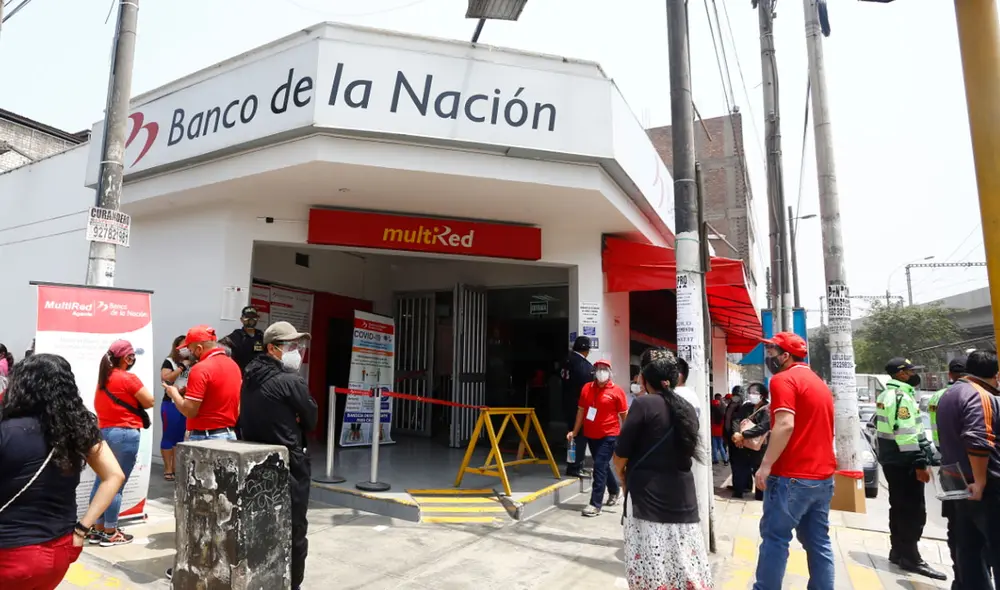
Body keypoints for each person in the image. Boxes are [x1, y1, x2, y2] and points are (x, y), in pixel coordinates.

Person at [0, 354, 126, 589]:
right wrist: (81, 530)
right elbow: (114, 475)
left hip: (9, 554)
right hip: (60, 549)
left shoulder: (7, 431)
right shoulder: (79, 430)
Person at [612, 348, 712, 589]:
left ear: (646, 380)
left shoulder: (643, 404)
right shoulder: (687, 406)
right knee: (683, 564)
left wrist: (623, 478)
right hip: (683, 500)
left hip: (648, 500)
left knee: (652, 566)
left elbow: (620, 455)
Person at [752, 332, 836, 590]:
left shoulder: (782, 380)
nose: (768, 357)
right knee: (818, 542)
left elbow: (786, 424)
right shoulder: (818, 382)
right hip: (822, 478)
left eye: (772, 352)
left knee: (775, 539)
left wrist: (765, 466)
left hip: (791, 476)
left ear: (785, 356)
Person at [239, 321, 318, 590]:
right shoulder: (290, 382)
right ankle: (293, 583)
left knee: (262, 528)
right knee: (295, 530)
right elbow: (311, 418)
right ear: (273, 348)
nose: (298, 351)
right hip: (290, 465)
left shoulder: (249, 377)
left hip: (257, 465)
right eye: (292, 346)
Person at [935, 349, 1000, 588]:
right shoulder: (979, 395)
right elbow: (978, 439)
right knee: (993, 548)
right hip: (982, 486)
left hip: (958, 482)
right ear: (996, 374)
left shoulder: (949, 393)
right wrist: (981, 482)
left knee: (968, 548)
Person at [875, 357, 944, 579]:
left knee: (898, 508)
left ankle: (898, 552)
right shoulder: (902, 396)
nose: (914, 374)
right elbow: (907, 435)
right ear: (902, 373)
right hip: (904, 463)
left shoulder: (886, 394)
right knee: (913, 512)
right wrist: (920, 464)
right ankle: (911, 558)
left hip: (891, 462)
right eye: (910, 371)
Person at [88, 340, 153, 547]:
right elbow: (149, 401)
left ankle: (97, 529)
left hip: (104, 432)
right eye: (132, 355)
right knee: (116, 484)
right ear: (127, 358)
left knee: (102, 482)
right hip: (124, 433)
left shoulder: (103, 380)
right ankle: (110, 531)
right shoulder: (128, 378)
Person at [567, 359, 627, 517]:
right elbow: (581, 411)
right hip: (591, 434)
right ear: (594, 371)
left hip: (610, 434)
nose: (601, 371)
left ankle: (595, 504)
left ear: (610, 372)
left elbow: (624, 416)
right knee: (603, 466)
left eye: (605, 368)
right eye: (599, 368)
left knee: (599, 467)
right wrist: (574, 431)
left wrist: (627, 435)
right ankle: (614, 490)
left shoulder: (617, 391)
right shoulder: (587, 388)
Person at [163, 325, 242, 442]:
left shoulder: (200, 368)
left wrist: (173, 393)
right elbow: (237, 404)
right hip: (229, 435)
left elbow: (189, 411)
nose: (189, 354)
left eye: (190, 350)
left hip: (205, 437)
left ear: (199, 349)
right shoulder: (233, 365)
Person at [560, 336, 594, 477]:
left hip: (567, 403)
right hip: (579, 406)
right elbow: (588, 385)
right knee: (579, 436)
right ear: (586, 350)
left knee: (572, 435)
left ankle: (573, 464)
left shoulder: (566, 361)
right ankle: (575, 467)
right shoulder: (583, 365)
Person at [731, 382, 771, 501]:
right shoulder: (746, 407)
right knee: (740, 468)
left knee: (758, 470)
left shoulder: (768, 409)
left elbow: (763, 427)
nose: (751, 395)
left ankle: (760, 496)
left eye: (754, 393)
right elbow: (737, 419)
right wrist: (736, 433)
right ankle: (738, 492)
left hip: (759, 446)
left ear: (762, 395)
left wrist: (743, 435)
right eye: (749, 393)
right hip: (743, 444)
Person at [160, 336, 191, 482]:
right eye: (182, 346)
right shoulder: (170, 361)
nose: (185, 349)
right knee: (168, 435)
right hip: (171, 403)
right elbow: (166, 379)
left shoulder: (195, 362)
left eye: (187, 346)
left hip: (187, 402)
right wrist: (181, 367)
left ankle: (177, 468)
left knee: (181, 437)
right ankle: (167, 468)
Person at [225, 306, 265, 373]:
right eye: (247, 317)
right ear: (241, 319)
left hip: (258, 376)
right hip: (241, 375)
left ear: (257, 319)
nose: (250, 319)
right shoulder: (235, 336)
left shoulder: (261, 336)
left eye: (253, 317)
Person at [711, 393, 729, 466]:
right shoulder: (723, 406)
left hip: (713, 428)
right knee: (721, 446)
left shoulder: (712, 405)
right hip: (721, 429)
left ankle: (715, 460)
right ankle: (725, 460)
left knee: (714, 446)